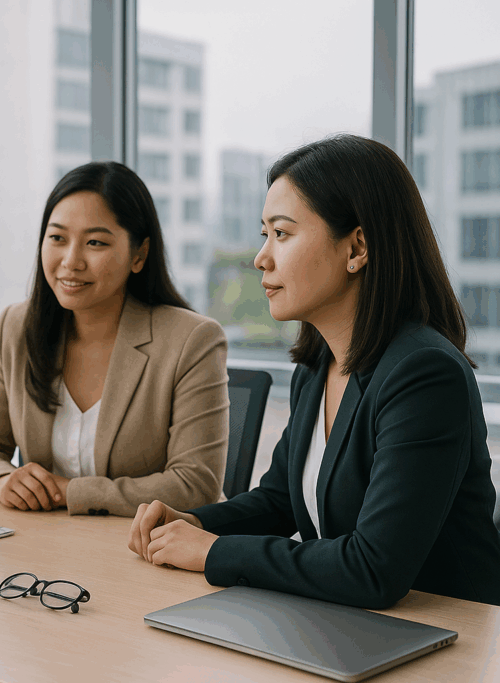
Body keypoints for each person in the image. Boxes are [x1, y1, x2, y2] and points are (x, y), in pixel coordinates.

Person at [128, 134, 500, 609]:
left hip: (446, 634)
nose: (261, 258)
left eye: (282, 234)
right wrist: (197, 524)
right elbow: (280, 501)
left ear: (357, 247)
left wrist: (213, 552)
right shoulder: (318, 367)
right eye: (264, 235)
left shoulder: (424, 374)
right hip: (350, 626)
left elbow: (373, 570)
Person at [0, 161, 229, 517]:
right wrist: (1, 481)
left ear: (139, 255)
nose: (71, 261)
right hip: (44, 539)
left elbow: (195, 484)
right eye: (57, 238)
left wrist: (68, 492)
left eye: (95, 242)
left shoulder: (193, 340)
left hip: (148, 544)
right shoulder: (16, 327)